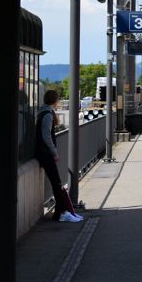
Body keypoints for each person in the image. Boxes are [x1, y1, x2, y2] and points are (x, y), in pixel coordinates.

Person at [35, 90, 83, 223]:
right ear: (55, 101)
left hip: (42, 153)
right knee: (57, 184)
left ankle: (65, 211)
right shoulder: (48, 115)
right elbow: (46, 136)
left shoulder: (43, 112)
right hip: (46, 154)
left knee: (57, 183)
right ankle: (61, 213)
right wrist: (54, 152)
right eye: (58, 99)